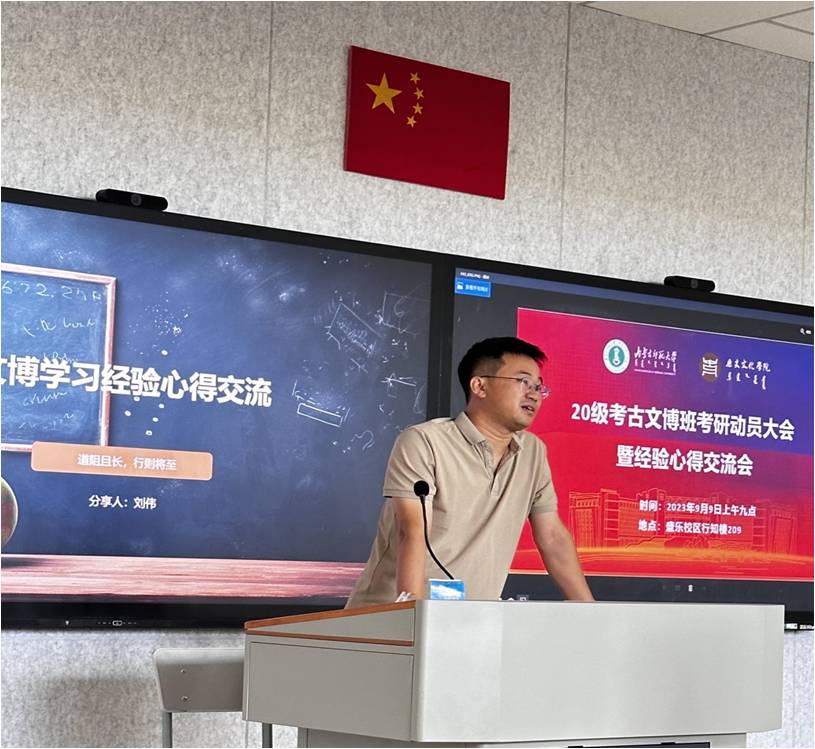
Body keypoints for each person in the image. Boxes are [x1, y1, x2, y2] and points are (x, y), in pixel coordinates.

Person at [346, 336, 594, 607]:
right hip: (388, 615)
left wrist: (592, 613)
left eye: (538, 387)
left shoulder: (533, 452)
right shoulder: (425, 441)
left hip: (471, 618)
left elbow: (552, 538)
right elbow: (412, 530)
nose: (534, 394)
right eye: (523, 382)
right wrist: (414, 614)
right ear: (480, 386)